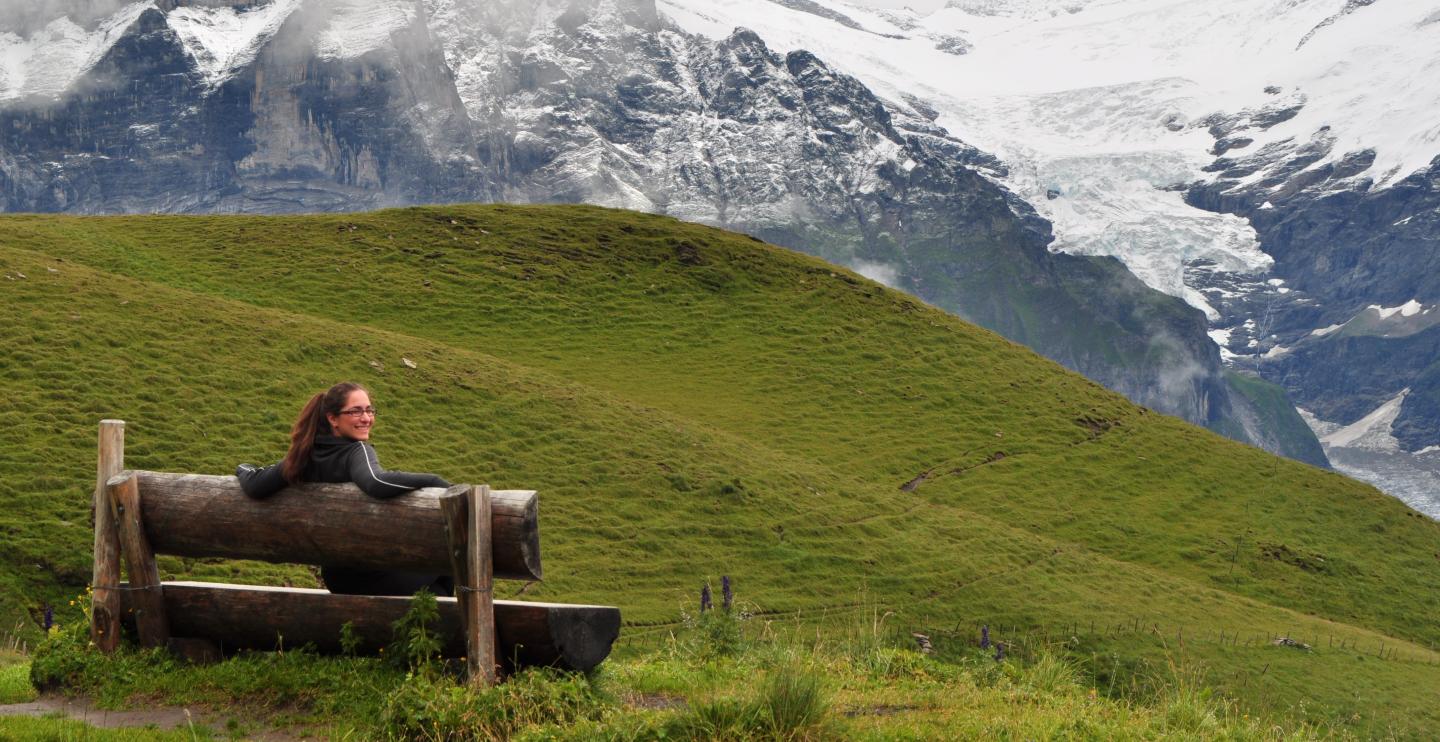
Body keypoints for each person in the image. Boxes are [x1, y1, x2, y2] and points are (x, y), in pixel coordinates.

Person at [236, 382, 452, 597]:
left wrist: (243, 468)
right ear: (332, 418)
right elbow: (376, 481)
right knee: (449, 561)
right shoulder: (355, 451)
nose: (366, 418)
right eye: (355, 411)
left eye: (369, 410)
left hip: (338, 577)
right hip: (373, 574)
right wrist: (439, 483)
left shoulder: (305, 456)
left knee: (436, 589)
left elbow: (255, 485)